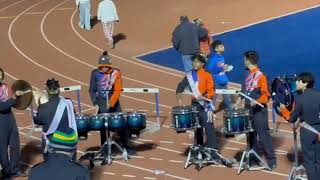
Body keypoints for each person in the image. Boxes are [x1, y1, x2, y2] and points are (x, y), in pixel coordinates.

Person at [176, 54, 232, 166]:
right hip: (194, 106)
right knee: (198, 128)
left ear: (202, 64)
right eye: (194, 62)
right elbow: (181, 87)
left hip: (205, 105)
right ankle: (199, 150)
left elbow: (212, 90)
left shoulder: (207, 75)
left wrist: (206, 96)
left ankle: (213, 152)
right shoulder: (189, 75)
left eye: (197, 62)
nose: (194, 64)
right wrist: (179, 98)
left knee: (209, 128)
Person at [235, 51, 277, 170]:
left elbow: (266, 94)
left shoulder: (261, 76)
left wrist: (257, 101)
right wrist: (238, 102)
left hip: (259, 111)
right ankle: (254, 157)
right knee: (251, 134)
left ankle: (271, 160)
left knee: (263, 136)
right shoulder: (247, 74)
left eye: (244, 59)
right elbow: (244, 90)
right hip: (248, 110)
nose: (243, 61)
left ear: (248, 60)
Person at [89, 51, 134, 154]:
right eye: (102, 67)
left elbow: (118, 90)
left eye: (106, 67)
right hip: (101, 102)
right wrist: (95, 103)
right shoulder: (94, 74)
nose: (104, 69)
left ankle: (126, 146)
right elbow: (92, 90)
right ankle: (104, 149)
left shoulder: (116, 73)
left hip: (114, 102)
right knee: (103, 127)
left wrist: (112, 102)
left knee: (122, 124)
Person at [279, 72, 320, 180]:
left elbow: (292, 119)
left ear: (305, 83)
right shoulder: (318, 94)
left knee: (309, 161)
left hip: (308, 133)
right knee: (318, 159)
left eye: (298, 81)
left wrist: (283, 109)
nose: (296, 82)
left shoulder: (299, 98)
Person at [33, 78, 78, 161]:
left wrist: (39, 104)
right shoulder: (68, 103)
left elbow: (37, 121)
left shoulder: (43, 107)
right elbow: (73, 117)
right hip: (68, 142)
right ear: (59, 90)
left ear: (46, 91)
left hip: (52, 143)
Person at [0, 68, 26, 179]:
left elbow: (13, 102)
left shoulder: (5, 87)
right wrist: (14, 98)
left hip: (10, 118)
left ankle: (14, 170)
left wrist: (21, 98)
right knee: (2, 148)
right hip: (1, 119)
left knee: (15, 145)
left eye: (1, 75)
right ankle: (6, 172)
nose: (0, 77)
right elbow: (2, 106)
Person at [206, 40, 233, 111]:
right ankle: (209, 114)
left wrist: (226, 67)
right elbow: (209, 70)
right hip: (216, 82)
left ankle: (232, 113)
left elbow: (221, 67)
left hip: (223, 81)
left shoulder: (222, 57)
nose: (223, 47)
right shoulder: (213, 59)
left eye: (222, 46)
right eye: (221, 46)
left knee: (227, 99)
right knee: (213, 99)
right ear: (216, 49)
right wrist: (221, 68)